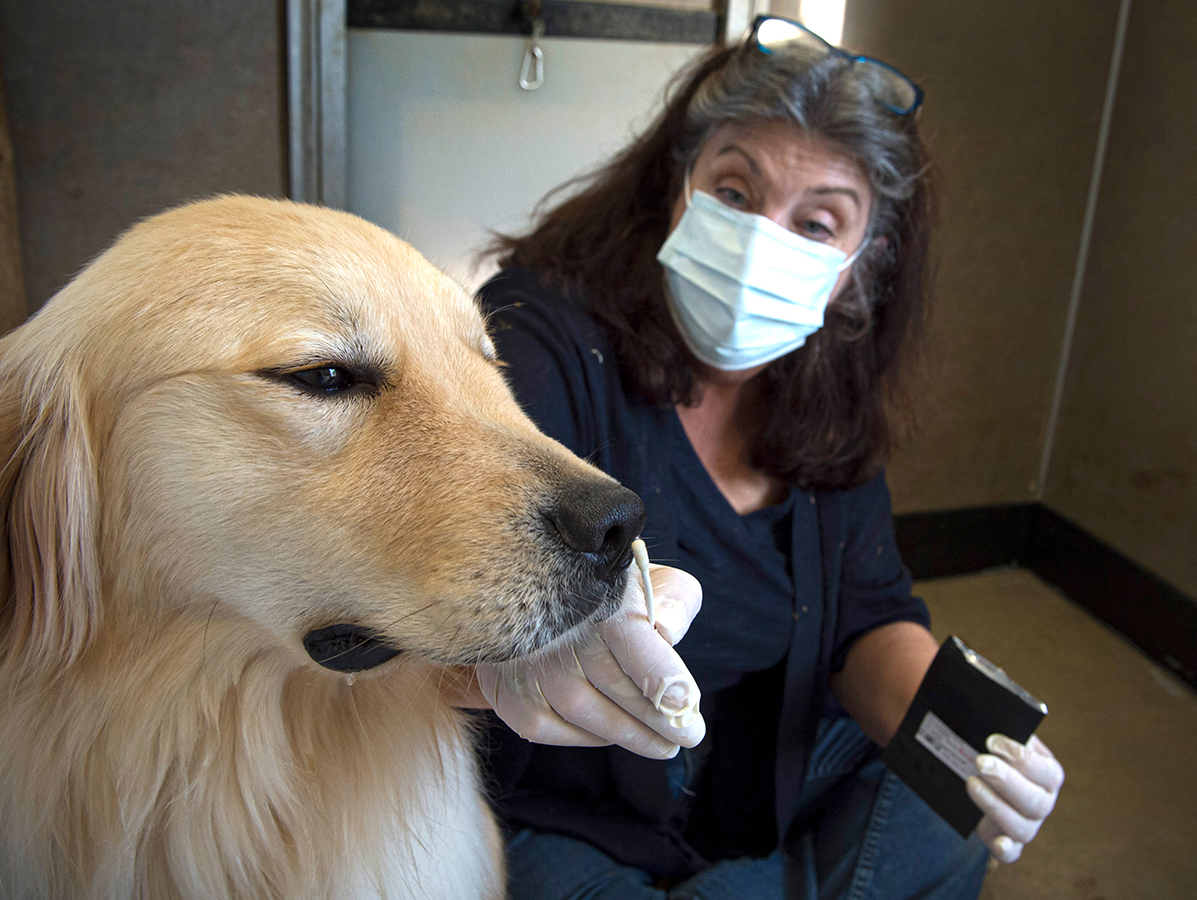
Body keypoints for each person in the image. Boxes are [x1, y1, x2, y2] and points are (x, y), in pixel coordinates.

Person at [455, 16, 1064, 900]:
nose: (762, 241)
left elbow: (866, 620)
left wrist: (969, 742)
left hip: (754, 776)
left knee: (946, 813)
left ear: (861, 264)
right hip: (564, 803)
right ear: (680, 188)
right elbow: (466, 557)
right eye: (736, 193)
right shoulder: (543, 334)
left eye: (817, 223)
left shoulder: (825, 392)